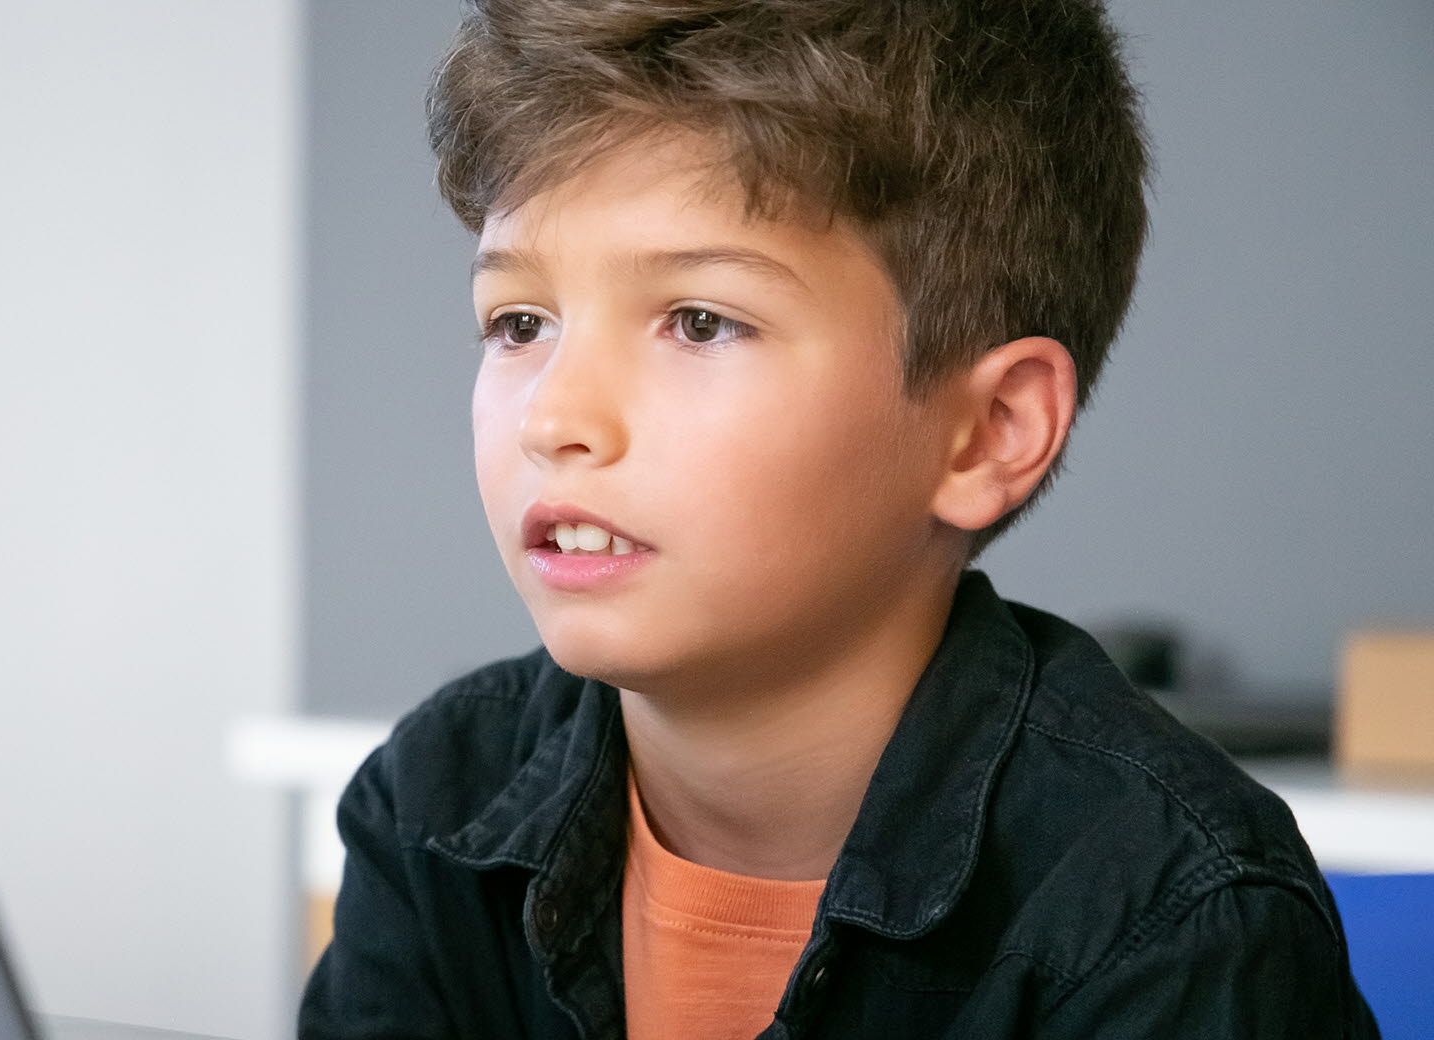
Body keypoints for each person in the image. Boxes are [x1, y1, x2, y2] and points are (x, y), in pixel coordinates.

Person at [296, 1, 1383, 1037]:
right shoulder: (431, 798)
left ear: (988, 430)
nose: (555, 416)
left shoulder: (1172, 907)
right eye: (519, 320)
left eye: (701, 320)